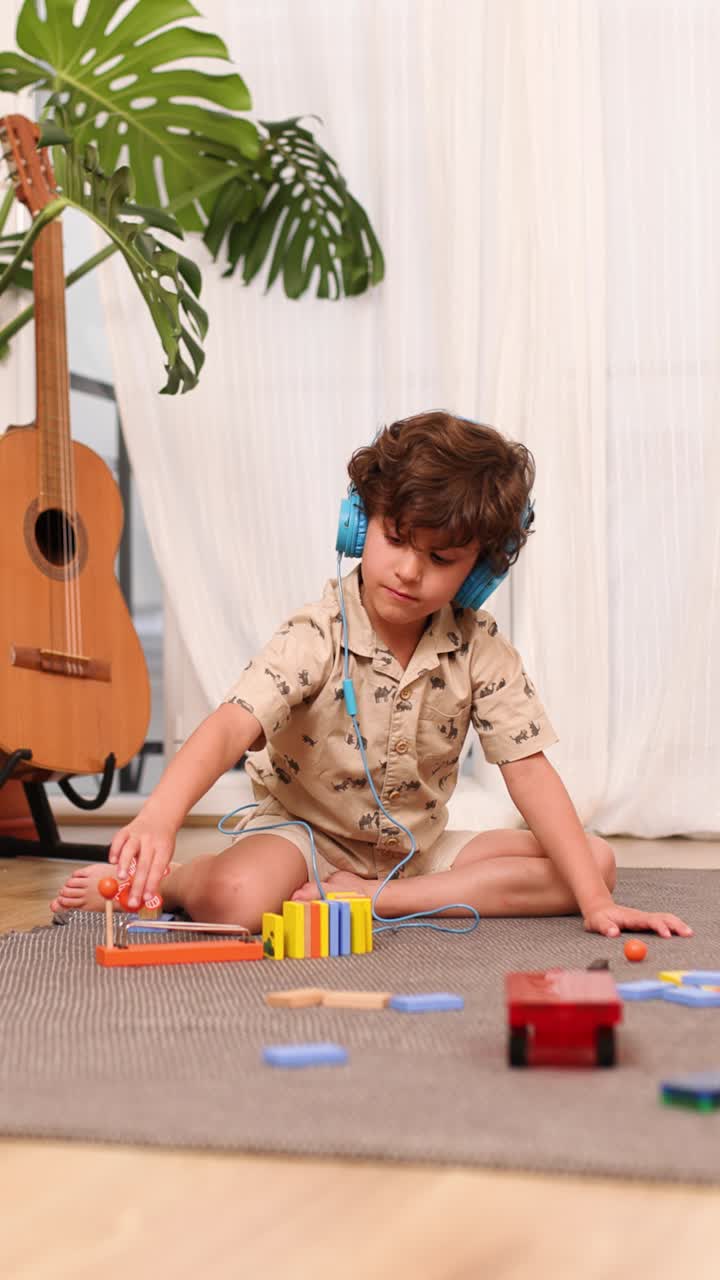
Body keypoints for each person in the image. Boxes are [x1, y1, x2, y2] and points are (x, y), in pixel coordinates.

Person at [52, 411, 692, 941]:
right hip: (299, 839)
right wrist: (160, 818)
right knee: (237, 901)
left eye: (441, 559)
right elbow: (228, 728)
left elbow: (528, 771)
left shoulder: (480, 649)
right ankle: (182, 880)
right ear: (359, 524)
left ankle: (372, 900)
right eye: (396, 538)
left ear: (477, 573)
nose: (410, 572)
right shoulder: (316, 633)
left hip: (415, 857)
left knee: (595, 863)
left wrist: (593, 904)